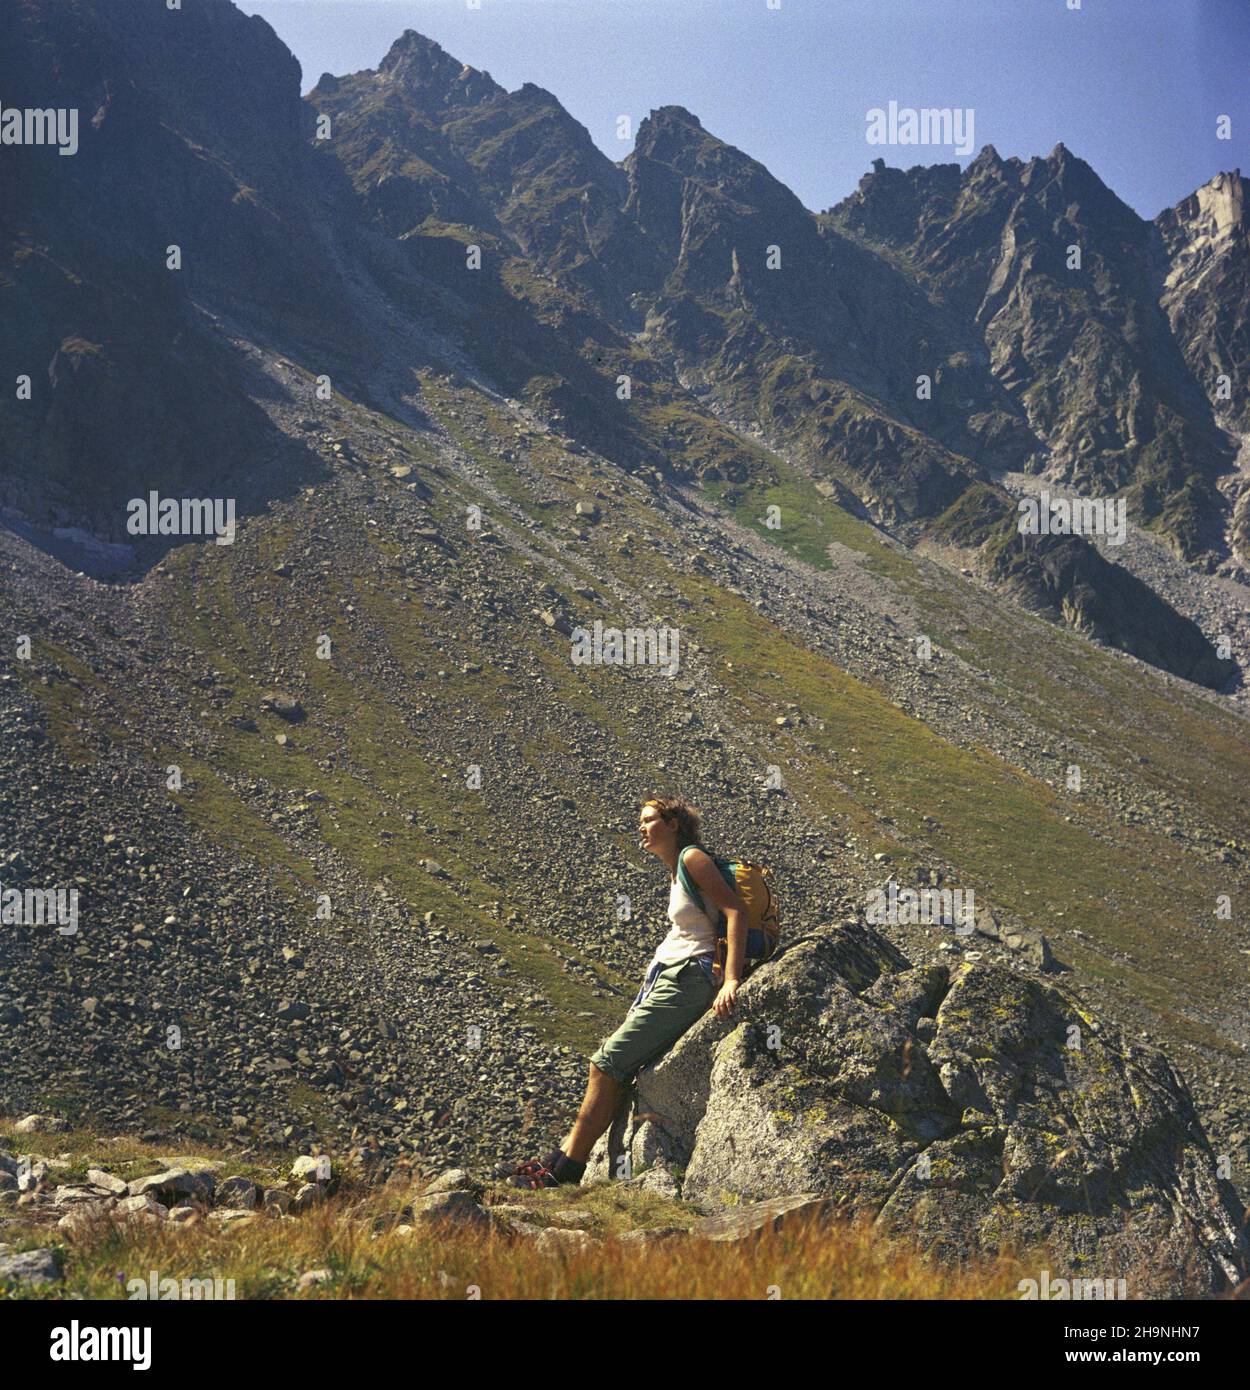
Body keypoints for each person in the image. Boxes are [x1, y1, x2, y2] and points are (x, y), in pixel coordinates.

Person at [497, 796, 747, 1189]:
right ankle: (558, 1160)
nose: (641, 828)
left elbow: (735, 912)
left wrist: (730, 979)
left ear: (673, 824)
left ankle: (562, 1173)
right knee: (612, 1068)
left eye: (649, 820)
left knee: (606, 1062)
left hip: (689, 978)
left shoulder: (693, 859)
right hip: (670, 976)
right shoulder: (677, 868)